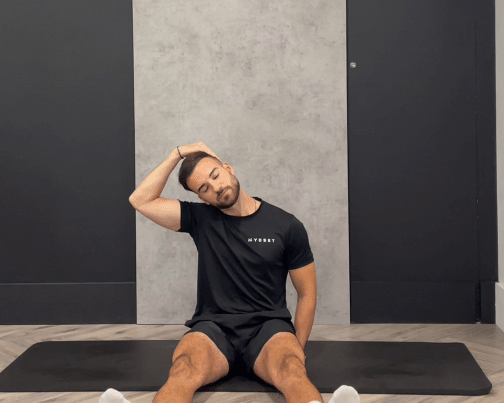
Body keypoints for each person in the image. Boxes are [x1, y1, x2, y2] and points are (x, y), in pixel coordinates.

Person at [101, 142, 359, 403]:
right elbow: (140, 200)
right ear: (202, 198)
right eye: (204, 189)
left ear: (227, 168)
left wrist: (297, 350)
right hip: (214, 328)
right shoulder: (200, 219)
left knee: (292, 369)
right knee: (183, 369)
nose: (216, 187)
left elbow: (307, 294)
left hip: (268, 328)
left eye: (215, 176)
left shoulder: (287, 225)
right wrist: (176, 154)